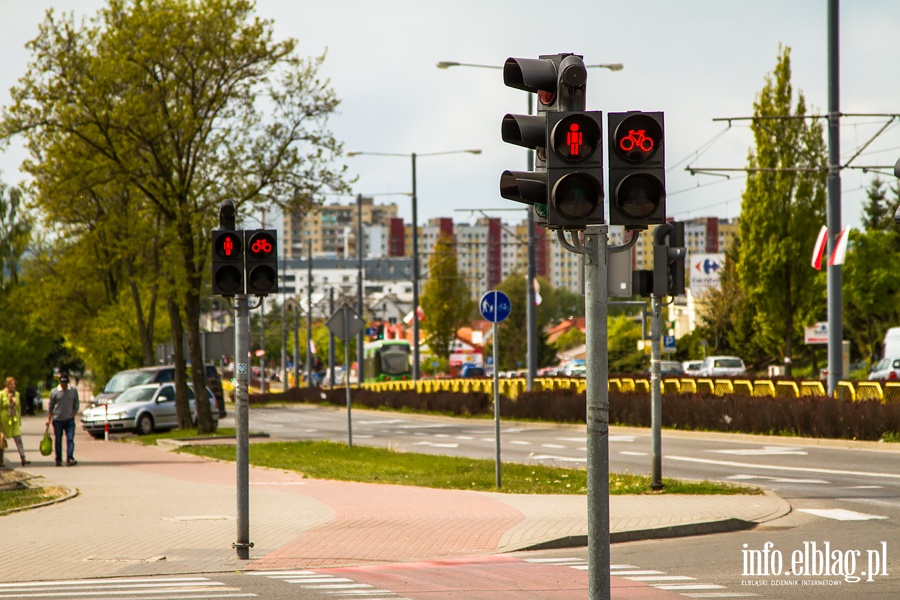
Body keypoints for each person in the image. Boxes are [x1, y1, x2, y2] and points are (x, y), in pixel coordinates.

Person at [47, 374, 79, 467]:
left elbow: (76, 403)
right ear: (59, 382)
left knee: (70, 439)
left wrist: (73, 413)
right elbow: (51, 406)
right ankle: (58, 459)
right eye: (62, 383)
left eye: (65, 383)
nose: (63, 385)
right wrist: (49, 419)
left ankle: (69, 458)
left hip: (69, 419)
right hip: (58, 420)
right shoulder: (54, 392)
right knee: (58, 440)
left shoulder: (72, 391)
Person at [0, 377, 30, 467]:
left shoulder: (17, 394)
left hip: (14, 420)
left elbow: (18, 408)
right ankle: (1, 460)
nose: (13, 386)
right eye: (11, 384)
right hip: (4, 420)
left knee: (18, 439)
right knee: (2, 440)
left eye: (14, 384)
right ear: (7, 385)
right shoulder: (1, 394)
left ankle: (23, 458)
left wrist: (19, 419)